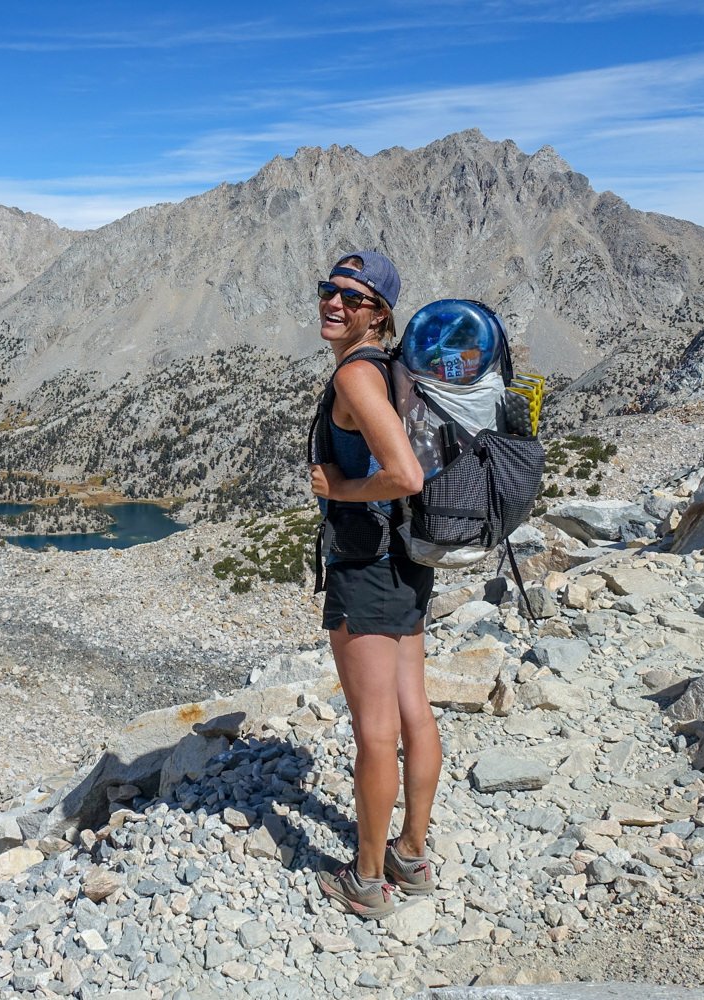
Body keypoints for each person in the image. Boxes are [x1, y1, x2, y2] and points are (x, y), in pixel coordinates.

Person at [309, 251, 441, 918]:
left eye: (354, 299)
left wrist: (340, 488)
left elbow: (407, 475)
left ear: (380, 313)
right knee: (412, 708)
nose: (335, 303)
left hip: (369, 568)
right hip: (409, 560)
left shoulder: (358, 378)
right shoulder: (392, 370)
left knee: (374, 730)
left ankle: (365, 881)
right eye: (329, 290)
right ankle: (411, 857)